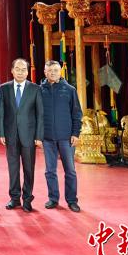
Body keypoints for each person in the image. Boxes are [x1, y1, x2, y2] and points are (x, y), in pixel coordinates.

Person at [0, 58, 44, 212]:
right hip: (10, 134)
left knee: (29, 169)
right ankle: (15, 198)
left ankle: (27, 199)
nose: (20, 72)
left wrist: (39, 136)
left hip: (29, 136)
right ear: (12, 70)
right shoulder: (4, 88)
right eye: (17, 69)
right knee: (13, 168)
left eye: (23, 69)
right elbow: (0, 112)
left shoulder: (35, 89)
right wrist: (1, 132)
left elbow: (40, 114)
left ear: (27, 72)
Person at [40, 60, 82, 213]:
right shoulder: (40, 90)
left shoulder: (70, 90)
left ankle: (72, 200)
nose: (53, 73)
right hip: (47, 138)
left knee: (70, 170)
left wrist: (75, 133)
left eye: (55, 70)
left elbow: (77, 114)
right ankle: (53, 199)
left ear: (60, 72)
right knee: (50, 171)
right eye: (50, 70)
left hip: (66, 138)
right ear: (45, 72)